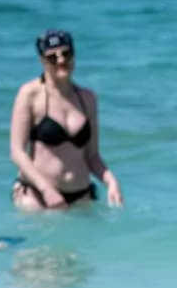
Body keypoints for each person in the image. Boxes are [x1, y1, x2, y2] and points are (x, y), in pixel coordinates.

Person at [9, 28, 123, 210]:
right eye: (52, 57)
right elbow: (17, 152)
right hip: (37, 196)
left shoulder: (87, 98)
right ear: (41, 60)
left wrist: (111, 181)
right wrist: (47, 190)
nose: (61, 60)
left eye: (66, 54)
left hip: (81, 195)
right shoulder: (30, 94)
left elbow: (92, 156)